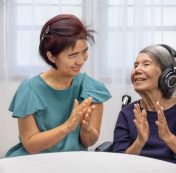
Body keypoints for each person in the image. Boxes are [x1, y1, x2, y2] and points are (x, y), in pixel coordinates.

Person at [5, 14, 111, 157]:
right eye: (72, 55)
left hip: (71, 163)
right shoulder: (30, 89)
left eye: (84, 52)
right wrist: (68, 127)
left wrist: (87, 129)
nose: (81, 61)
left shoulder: (92, 88)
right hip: (32, 162)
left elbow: (89, 142)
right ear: (51, 56)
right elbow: (31, 145)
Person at [112, 44, 176, 172]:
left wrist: (169, 138)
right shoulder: (127, 114)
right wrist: (139, 142)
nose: (137, 70)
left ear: (167, 74)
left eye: (146, 64)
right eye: (135, 65)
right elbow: (117, 166)